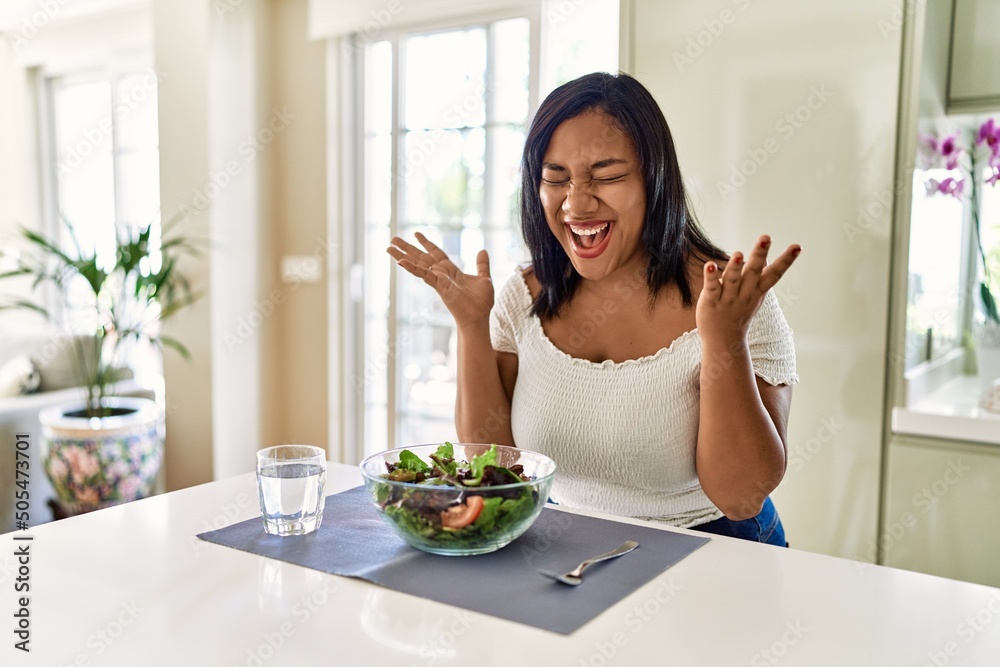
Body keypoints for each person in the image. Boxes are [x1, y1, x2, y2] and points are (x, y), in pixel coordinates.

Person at [386, 72, 800, 546]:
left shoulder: (734, 301)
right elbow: (499, 464)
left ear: (655, 178)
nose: (576, 204)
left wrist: (724, 341)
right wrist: (471, 326)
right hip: (568, 544)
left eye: (607, 176)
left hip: (715, 548)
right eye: (555, 179)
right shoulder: (524, 295)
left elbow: (740, 497)